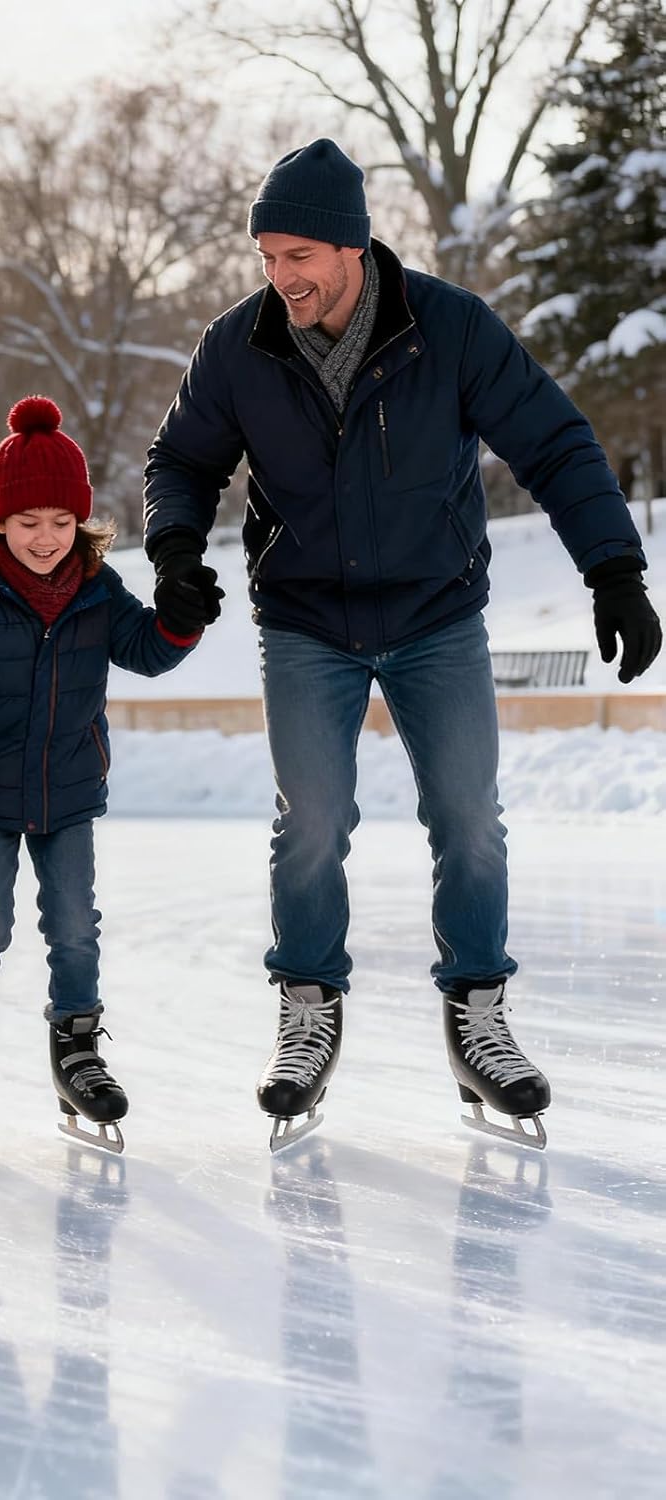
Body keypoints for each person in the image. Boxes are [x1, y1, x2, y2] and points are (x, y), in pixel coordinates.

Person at [141, 139, 662, 1152]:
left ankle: (478, 1013)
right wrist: (171, 550)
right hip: (305, 619)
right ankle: (306, 1009)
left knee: (468, 818)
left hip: (434, 615)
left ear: (351, 244)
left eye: (298, 255)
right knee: (314, 821)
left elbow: (554, 442)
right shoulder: (237, 348)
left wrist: (615, 570)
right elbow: (183, 460)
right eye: (266, 256)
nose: (281, 276)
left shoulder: (450, 329)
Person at [0, 396, 205, 1153]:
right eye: (28, 522)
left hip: (68, 789)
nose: (44, 538)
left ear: (81, 524)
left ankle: (79, 1053)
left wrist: (182, 616)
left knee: (73, 926)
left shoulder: (98, 590)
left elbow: (148, 649)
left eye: (60, 523)